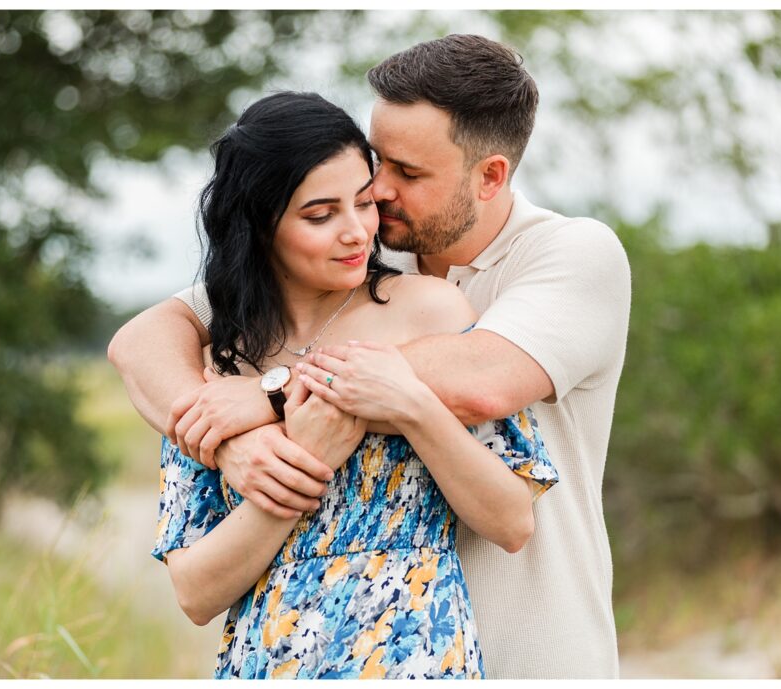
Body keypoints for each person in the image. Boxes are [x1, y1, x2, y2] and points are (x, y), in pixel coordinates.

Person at [110, 35, 630, 679]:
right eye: (377, 163)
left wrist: (270, 397)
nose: (377, 193)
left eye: (407, 174)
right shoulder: (363, 254)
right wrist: (223, 443)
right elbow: (145, 339)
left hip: (532, 649)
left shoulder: (571, 254)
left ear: (490, 175)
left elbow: (481, 382)